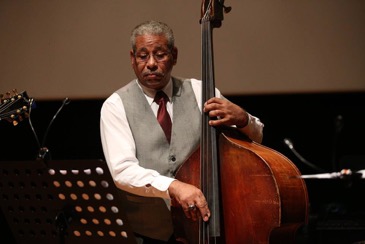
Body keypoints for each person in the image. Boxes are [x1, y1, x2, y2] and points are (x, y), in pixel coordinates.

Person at [100, 20, 264, 244]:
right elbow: (122, 171)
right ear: (132, 58)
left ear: (174, 55)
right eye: (142, 55)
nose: (151, 64)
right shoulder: (116, 105)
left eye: (159, 55)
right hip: (147, 234)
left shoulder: (200, 91)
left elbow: (256, 139)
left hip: (204, 227)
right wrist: (173, 186)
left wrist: (244, 120)